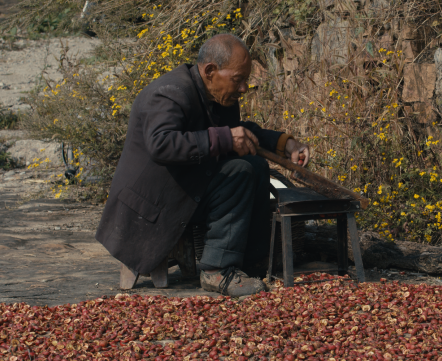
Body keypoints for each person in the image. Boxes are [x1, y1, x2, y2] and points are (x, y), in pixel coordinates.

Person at [96, 34, 310, 297]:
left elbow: (239, 132)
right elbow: (162, 144)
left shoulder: (216, 94)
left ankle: (252, 261)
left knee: (255, 166)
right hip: (152, 207)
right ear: (210, 71)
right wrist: (224, 138)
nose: (243, 88)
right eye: (238, 79)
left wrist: (284, 143)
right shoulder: (168, 93)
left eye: (245, 80)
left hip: (185, 191)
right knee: (240, 171)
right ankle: (217, 269)